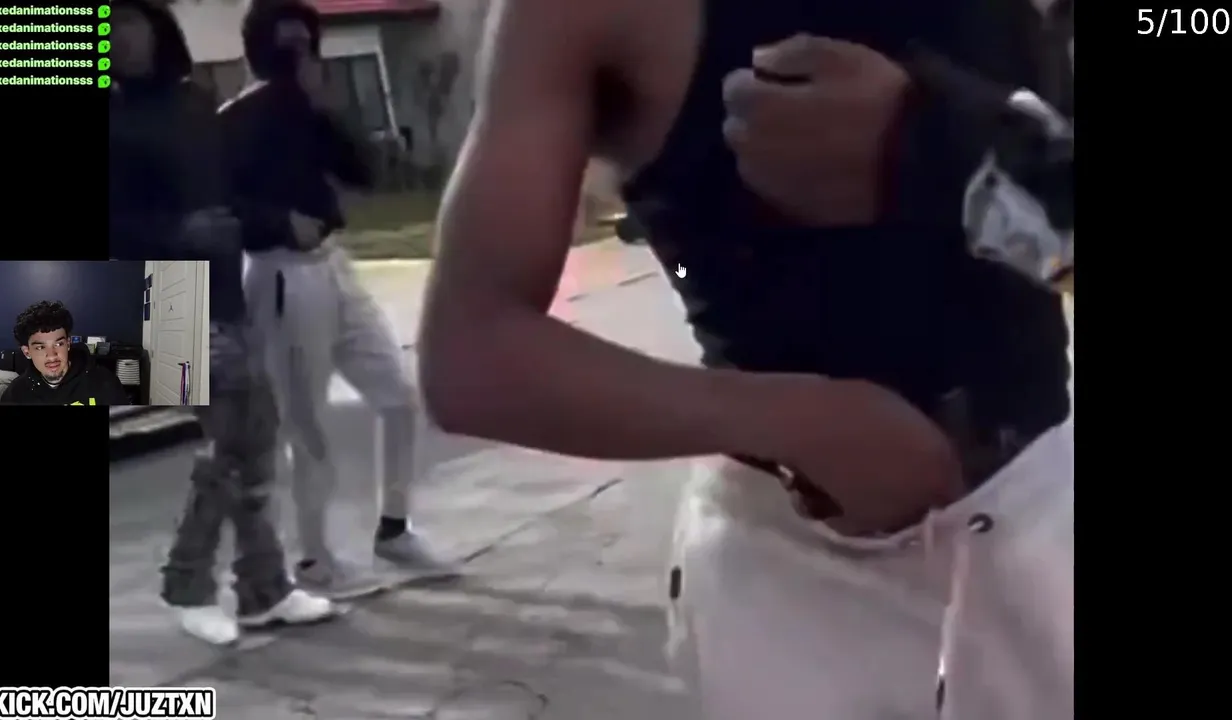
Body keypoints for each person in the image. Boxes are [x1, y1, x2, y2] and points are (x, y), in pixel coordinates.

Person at [420, 0, 1072, 717]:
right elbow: (472, 353)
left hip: (1043, 509)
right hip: (798, 571)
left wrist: (942, 146)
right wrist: (803, 422)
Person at [107, 0, 334, 645]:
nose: (120, 36)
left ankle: (262, 588)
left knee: (252, 439)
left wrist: (275, 221)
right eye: (106, 24)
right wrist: (176, 232)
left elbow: (227, 196)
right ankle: (188, 582)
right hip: (158, 293)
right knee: (236, 435)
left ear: (157, 26)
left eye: (130, 21)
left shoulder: (192, 103)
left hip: (223, 287)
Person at [219, 0, 453, 601]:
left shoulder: (311, 111)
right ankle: (314, 559)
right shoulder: (234, 121)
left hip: (333, 265)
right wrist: (277, 222)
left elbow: (364, 173)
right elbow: (220, 205)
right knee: (309, 426)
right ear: (260, 49)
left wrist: (327, 110)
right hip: (279, 274)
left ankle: (394, 529)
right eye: (286, 45)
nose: (298, 56)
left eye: (307, 43)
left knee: (398, 397)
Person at [0, 301, 131, 406]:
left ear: (68, 344)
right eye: (40, 347)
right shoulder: (15, 395)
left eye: (58, 344)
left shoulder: (105, 382)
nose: (52, 355)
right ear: (27, 352)